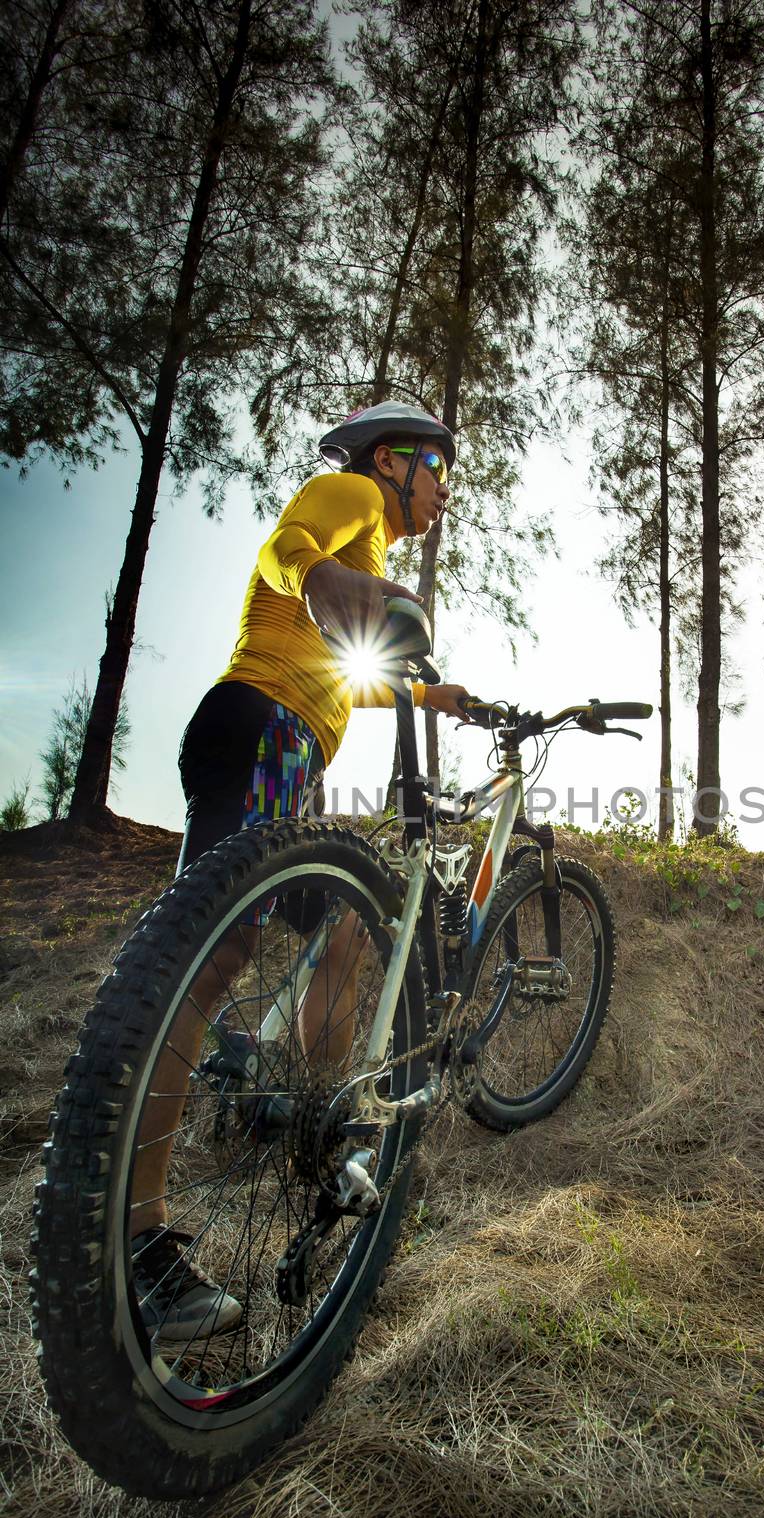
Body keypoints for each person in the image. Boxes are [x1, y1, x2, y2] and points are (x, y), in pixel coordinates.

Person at [130, 402, 471, 1338]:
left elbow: (344, 670)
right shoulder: (349, 494)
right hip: (257, 727)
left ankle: (324, 1137)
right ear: (394, 460)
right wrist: (321, 574)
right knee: (201, 969)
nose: (443, 491)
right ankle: (137, 1245)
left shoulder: (368, 557)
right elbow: (286, 548)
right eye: (437, 468)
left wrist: (436, 693)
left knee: (346, 922)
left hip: (286, 747)